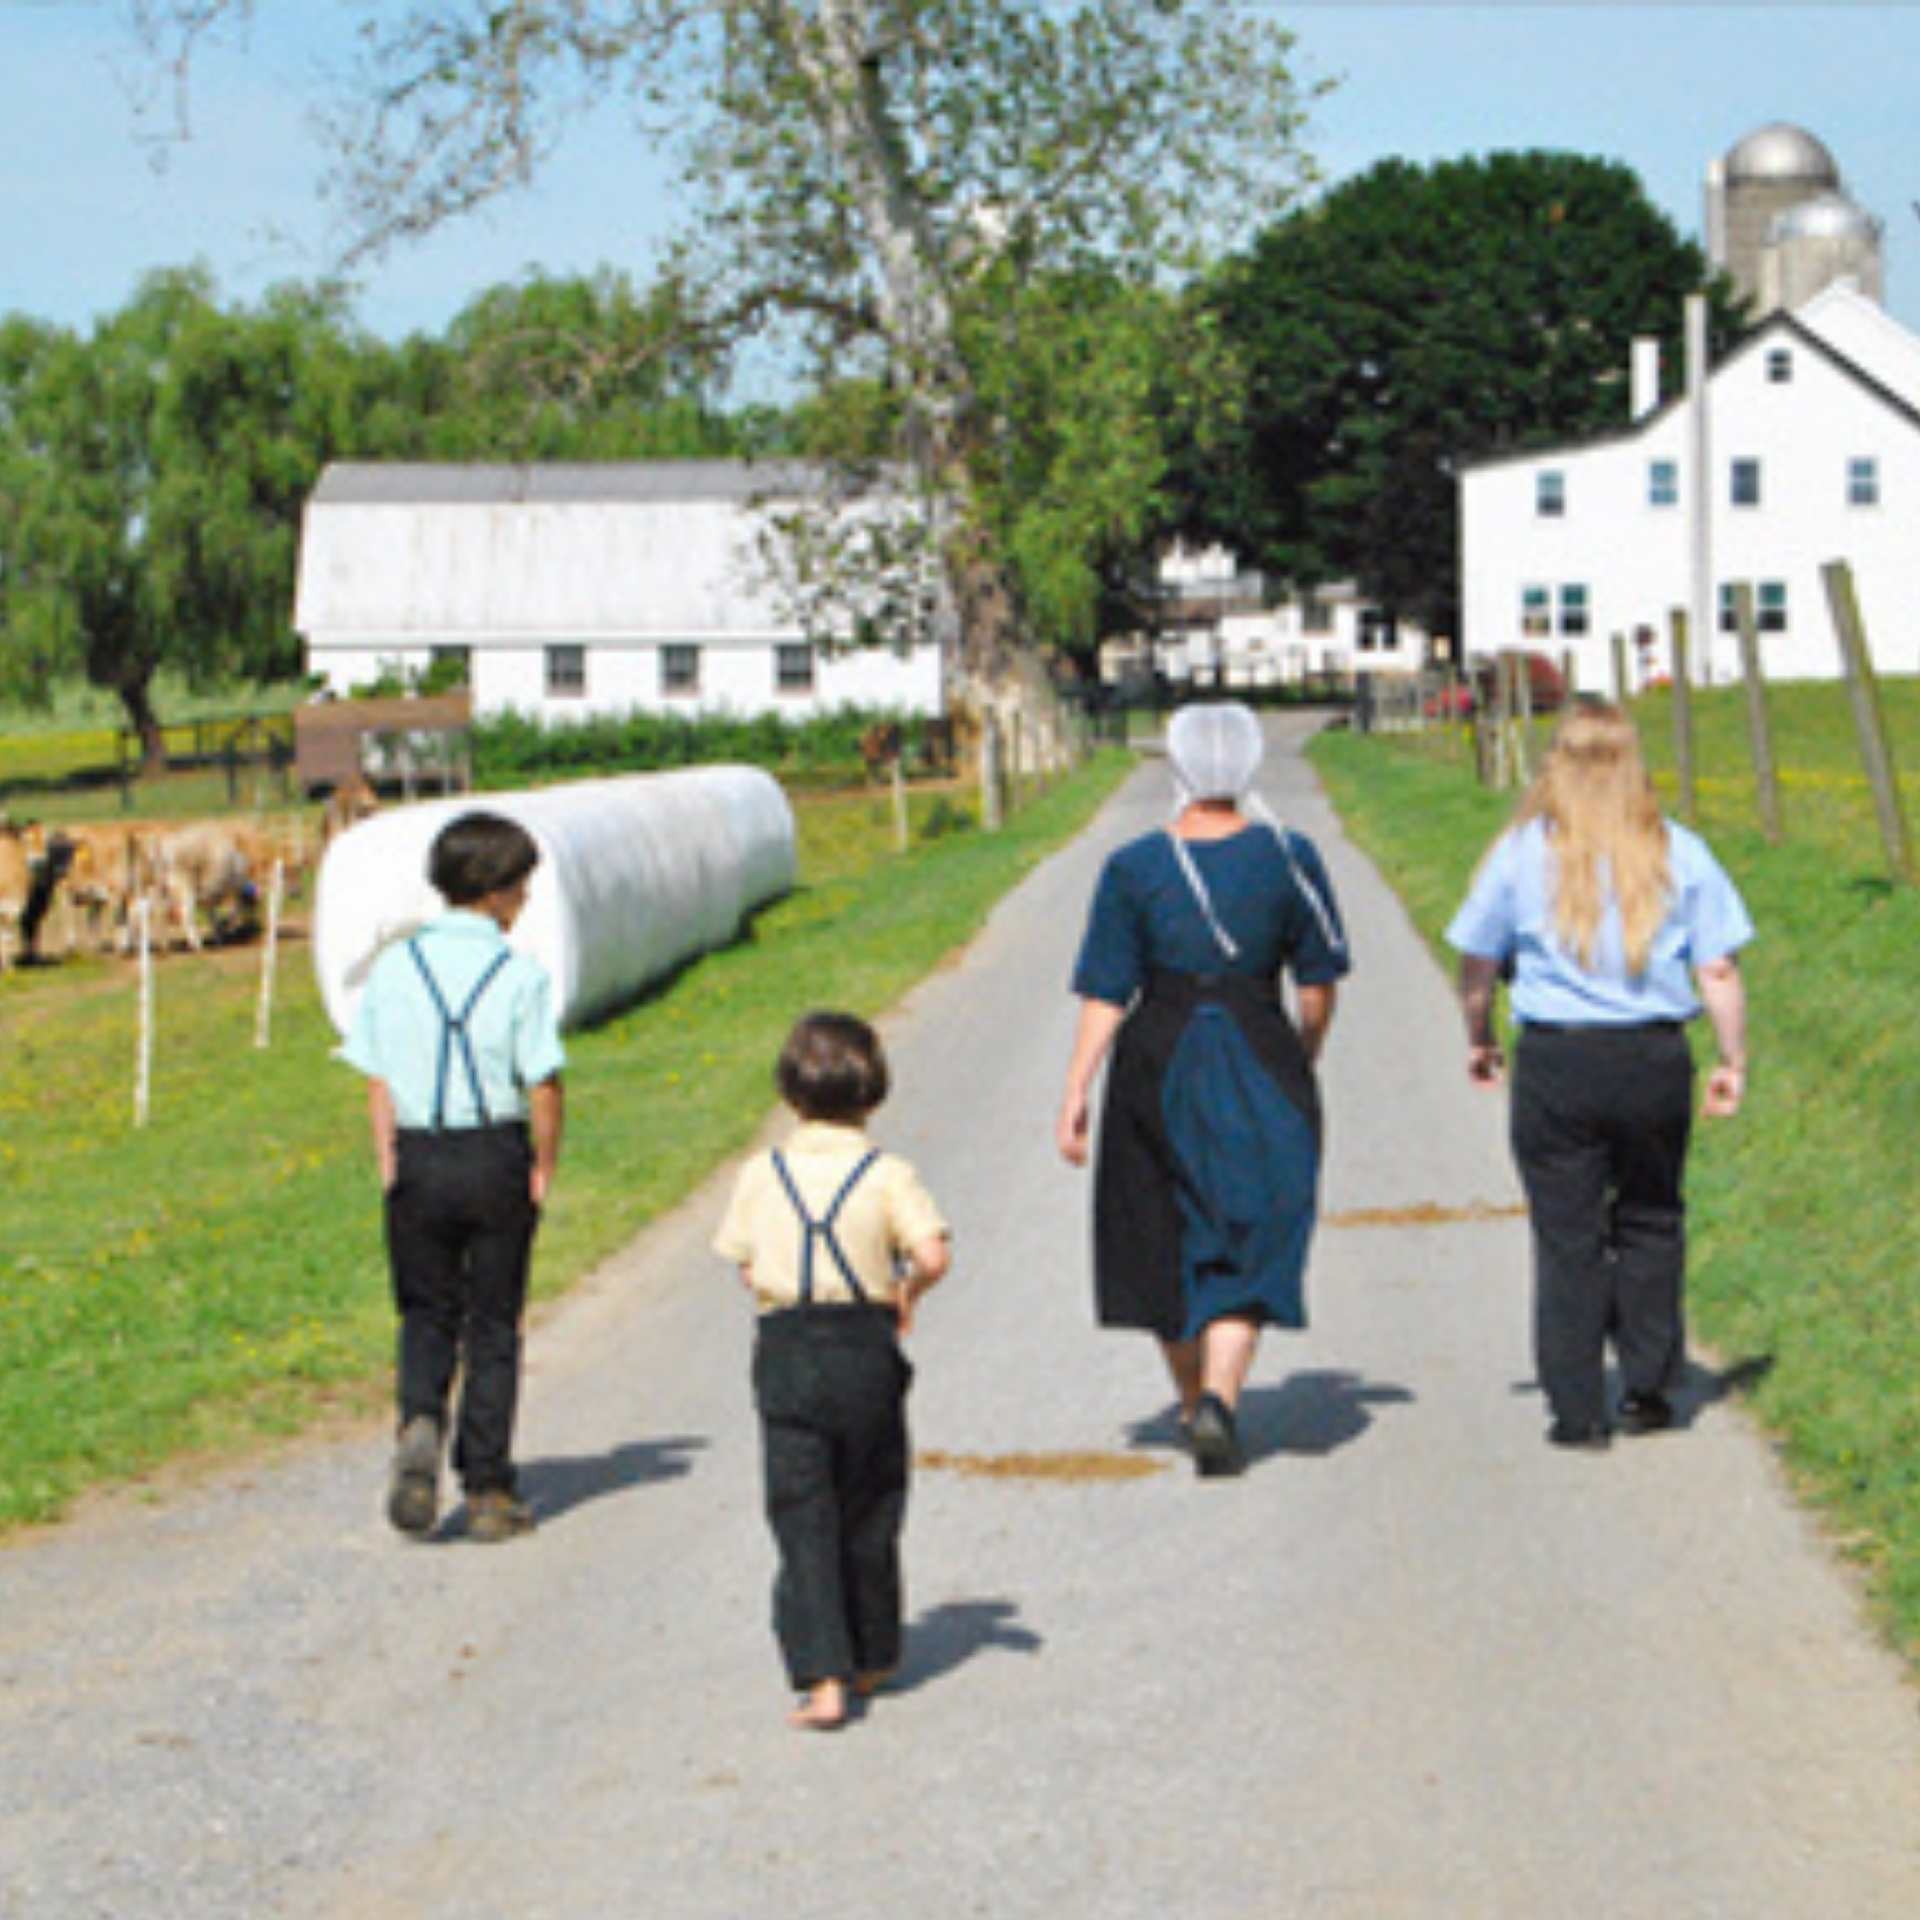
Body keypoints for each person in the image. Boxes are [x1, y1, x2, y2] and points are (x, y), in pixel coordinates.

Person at [1445, 701, 1752, 1449]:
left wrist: (1480, 1034)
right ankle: (1648, 1385)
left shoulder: (1520, 854)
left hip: (1560, 1059)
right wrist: (1731, 1059)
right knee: (1651, 1215)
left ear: (1555, 766)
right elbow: (1716, 965)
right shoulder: (1676, 850)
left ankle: (1577, 1407)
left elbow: (1479, 965)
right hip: (1651, 1058)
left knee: (1567, 1233)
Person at [1056, 702, 1350, 1477]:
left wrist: (1076, 1088)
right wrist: (1302, 1050)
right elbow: (1318, 983)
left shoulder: (1134, 868)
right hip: (1259, 1039)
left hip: (1159, 1054)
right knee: (1252, 1224)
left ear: (1177, 768)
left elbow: (1107, 990)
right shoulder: (1292, 858)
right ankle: (1221, 1393)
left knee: (1160, 1228)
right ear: (1249, 765)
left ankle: (1192, 1404)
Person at [714, 1011, 951, 1731]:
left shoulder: (762, 1173)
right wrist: (906, 1291)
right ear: (873, 1094)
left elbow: (744, 1259)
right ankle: (875, 1649)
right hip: (865, 1345)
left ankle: (822, 1676)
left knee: (801, 1510)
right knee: (872, 1499)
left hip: (787, 1344)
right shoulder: (887, 1175)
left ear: (790, 1095)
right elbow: (933, 1254)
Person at [341, 810, 566, 1541]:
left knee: (426, 1312)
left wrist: (389, 1161)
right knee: (493, 1324)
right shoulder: (519, 975)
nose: (527, 898)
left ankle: (420, 1421)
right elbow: (543, 1084)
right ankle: (489, 1490)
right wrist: (542, 1164)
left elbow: (377, 1077)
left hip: (418, 1153)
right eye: (522, 885)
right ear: (498, 892)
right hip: (493, 1153)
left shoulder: (395, 968)